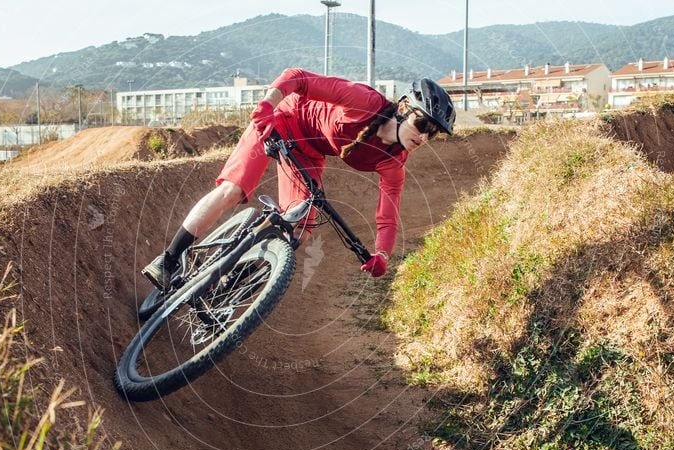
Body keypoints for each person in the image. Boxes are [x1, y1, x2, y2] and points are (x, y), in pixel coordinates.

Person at [142, 68, 455, 288]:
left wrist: (382, 255)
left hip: (308, 152)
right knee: (233, 190)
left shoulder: (394, 163)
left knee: (301, 230)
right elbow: (298, 77)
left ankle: (230, 287)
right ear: (403, 108)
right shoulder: (365, 102)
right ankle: (168, 261)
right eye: (422, 124)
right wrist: (266, 106)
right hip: (280, 120)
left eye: (434, 133)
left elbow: (387, 217)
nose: (425, 136)